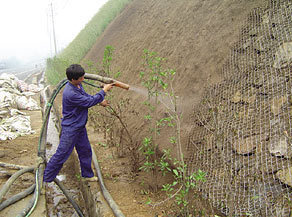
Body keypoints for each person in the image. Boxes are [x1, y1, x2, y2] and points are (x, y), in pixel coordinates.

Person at [43, 64, 113, 182]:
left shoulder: (78, 86)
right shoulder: (70, 93)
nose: (83, 80)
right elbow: (88, 101)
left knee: (85, 150)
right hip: (71, 128)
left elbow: (85, 97)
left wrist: (100, 101)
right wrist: (103, 91)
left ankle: (87, 175)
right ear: (72, 79)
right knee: (62, 155)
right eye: (80, 78)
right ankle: (45, 180)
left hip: (79, 126)